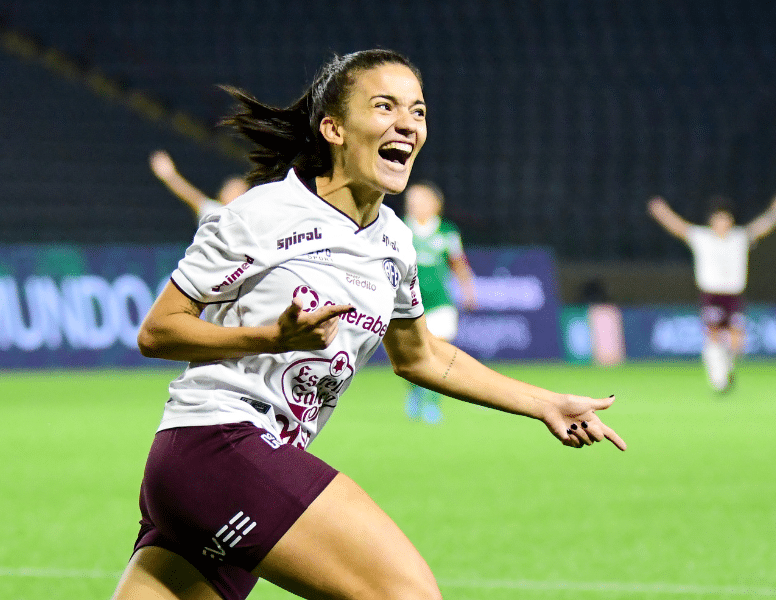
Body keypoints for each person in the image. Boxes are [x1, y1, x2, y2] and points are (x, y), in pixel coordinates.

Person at [115, 50, 626, 600]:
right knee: (405, 594)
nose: (406, 123)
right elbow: (159, 330)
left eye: (419, 111)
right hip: (220, 443)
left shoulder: (395, 243)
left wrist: (542, 402)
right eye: (384, 106)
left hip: (234, 464)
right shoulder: (260, 215)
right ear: (333, 128)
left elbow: (421, 356)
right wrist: (271, 337)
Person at [648, 193, 776, 392]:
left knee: (737, 342)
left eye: (725, 219)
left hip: (733, 295)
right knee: (713, 335)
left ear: (730, 221)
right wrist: (662, 212)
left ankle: (726, 367)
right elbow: (679, 227)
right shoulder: (702, 237)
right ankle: (717, 378)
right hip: (712, 294)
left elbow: (761, 227)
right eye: (718, 219)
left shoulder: (739, 237)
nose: (722, 223)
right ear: (712, 222)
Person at [402, 180, 476, 423]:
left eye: (421, 199)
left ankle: (433, 404)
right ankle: (414, 392)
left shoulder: (447, 231)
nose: (415, 204)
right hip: (407, 305)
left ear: (436, 204)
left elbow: (458, 263)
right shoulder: (400, 229)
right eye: (411, 200)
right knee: (413, 356)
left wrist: (468, 291)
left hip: (440, 303)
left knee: (439, 354)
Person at [149, 149, 249, 223]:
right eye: (228, 187)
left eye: (235, 190)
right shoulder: (214, 211)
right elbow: (192, 196)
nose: (228, 191)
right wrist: (170, 176)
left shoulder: (247, 222)